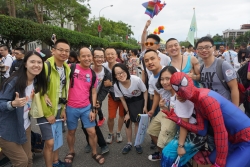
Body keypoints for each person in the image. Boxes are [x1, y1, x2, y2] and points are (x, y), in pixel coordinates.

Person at [168, 72, 250, 167]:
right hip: (232, 139)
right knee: (212, 158)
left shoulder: (204, 98)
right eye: (177, 87)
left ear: (189, 80)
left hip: (246, 138)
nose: (182, 89)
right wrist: (178, 121)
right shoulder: (197, 101)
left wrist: (219, 162)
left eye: (183, 83)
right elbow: (202, 130)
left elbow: (220, 132)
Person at [0, 51, 48, 167]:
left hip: (25, 126)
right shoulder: (14, 82)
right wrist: (12, 104)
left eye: (39, 62)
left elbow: (36, 94)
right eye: (32, 62)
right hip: (7, 129)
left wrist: (44, 95)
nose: (36, 65)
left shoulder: (36, 81)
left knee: (29, 159)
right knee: (21, 162)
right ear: (25, 64)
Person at [155, 66, 206, 167]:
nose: (164, 82)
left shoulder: (181, 97)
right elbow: (178, 116)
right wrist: (164, 108)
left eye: (168, 78)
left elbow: (185, 123)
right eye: (162, 79)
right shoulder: (174, 95)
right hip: (186, 131)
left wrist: (180, 146)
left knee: (167, 154)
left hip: (193, 134)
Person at [64, 47, 105, 165]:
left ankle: (94, 152)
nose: (87, 58)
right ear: (78, 58)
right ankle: (71, 151)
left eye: (89, 56)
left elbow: (93, 92)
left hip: (86, 107)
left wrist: (93, 109)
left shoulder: (93, 74)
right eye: (83, 56)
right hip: (71, 107)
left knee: (92, 132)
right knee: (71, 131)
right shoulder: (71, 68)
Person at [37, 39, 70, 167]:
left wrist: (63, 109)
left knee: (57, 138)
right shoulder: (45, 66)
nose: (64, 53)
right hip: (45, 110)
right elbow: (38, 90)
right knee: (49, 142)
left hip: (58, 108)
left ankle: (56, 162)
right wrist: (47, 113)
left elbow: (64, 91)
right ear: (53, 50)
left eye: (66, 51)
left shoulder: (67, 68)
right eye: (60, 50)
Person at [144, 49, 176, 161]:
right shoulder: (152, 79)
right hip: (164, 109)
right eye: (146, 60)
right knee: (152, 131)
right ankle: (162, 154)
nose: (150, 62)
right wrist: (153, 109)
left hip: (175, 110)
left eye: (152, 58)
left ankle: (170, 158)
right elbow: (157, 94)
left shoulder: (170, 71)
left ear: (159, 59)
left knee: (164, 137)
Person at [113, 63, 148, 154]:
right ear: (115, 76)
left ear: (126, 71)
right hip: (128, 102)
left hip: (139, 101)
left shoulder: (136, 80)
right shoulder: (116, 85)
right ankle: (129, 143)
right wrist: (127, 113)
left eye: (122, 72)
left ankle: (137, 143)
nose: (121, 75)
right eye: (117, 74)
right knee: (127, 122)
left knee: (136, 122)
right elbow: (122, 100)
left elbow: (145, 91)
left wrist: (145, 106)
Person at [82, 47, 110, 155]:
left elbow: (105, 89)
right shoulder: (86, 69)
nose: (99, 59)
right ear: (92, 58)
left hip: (96, 99)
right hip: (83, 100)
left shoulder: (107, 73)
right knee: (87, 122)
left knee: (91, 121)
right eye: (97, 56)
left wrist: (98, 100)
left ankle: (101, 144)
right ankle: (92, 142)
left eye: (101, 57)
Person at [197, 36, 239, 106]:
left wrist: (235, 111)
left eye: (207, 47)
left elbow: (234, 88)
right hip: (210, 108)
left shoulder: (223, 65)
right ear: (197, 51)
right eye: (200, 48)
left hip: (225, 108)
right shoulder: (201, 68)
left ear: (213, 48)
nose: (204, 50)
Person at [103, 47, 124, 144]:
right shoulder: (103, 66)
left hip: (123, 96)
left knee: (121, 115)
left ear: (116, 55)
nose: (110, 56)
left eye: (112, 54)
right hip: (112, 95)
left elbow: (125, 81)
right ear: (105, 56)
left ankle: (118, 132)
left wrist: (111, 83)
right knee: (111, 116)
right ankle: (110, 133)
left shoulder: (121, 66)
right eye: (108, 54)